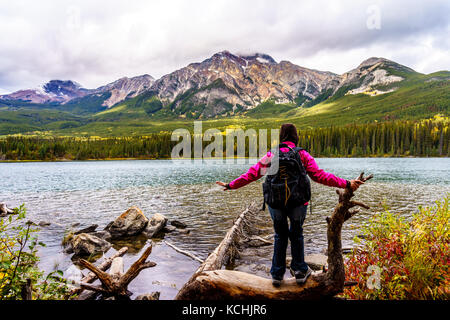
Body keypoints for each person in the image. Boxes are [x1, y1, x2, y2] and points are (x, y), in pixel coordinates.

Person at [216, 123, 364, 287]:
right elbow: (319, 176)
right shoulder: (302, 154)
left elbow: (252, 174)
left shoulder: (271, 155)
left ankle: (277, 275)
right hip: (298, 202)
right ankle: (300, 271)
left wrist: (231, 185)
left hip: (275, 202)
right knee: (296, 233)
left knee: (280, 235)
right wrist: (346, 183)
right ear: (296, 136)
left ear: (281, 137)